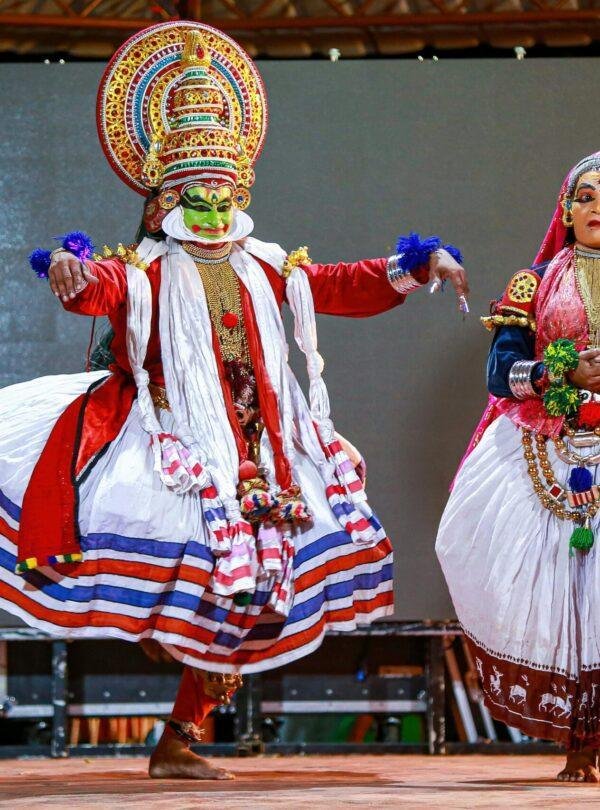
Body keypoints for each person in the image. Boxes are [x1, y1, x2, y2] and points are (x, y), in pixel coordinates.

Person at [0, 21, 467, 779]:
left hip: (262, 456)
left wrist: (416, 268)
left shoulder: (265, 265)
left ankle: (179, 737)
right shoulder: (145, 271)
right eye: (198, 202)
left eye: (224, 201)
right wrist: (68, 267)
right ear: (165, 205)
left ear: (240, 195)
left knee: (250, 604)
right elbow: (99, 289)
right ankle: (162, 644)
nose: (214, 217)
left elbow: (340, 284)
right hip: (171, 452)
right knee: (191, 582)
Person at [437, 151, 600, 782]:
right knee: (562, 596)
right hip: (545, 446)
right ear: (566, 209)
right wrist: (560, 371)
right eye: (584, 196)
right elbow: (499, 370)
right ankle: (580, 743)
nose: (595, 209)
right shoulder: (532, 283)